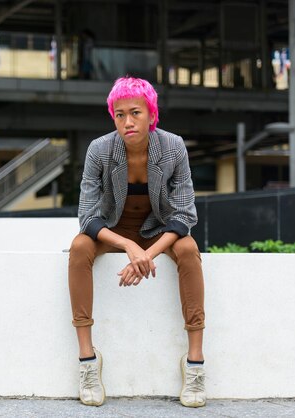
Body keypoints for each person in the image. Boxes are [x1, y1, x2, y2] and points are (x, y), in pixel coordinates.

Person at [68, 76, 206, 408]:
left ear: (151, 113)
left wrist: (146, 253)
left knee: (188, 249)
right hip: (114, 231)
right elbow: (87, 215)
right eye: (119, 115)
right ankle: (88, 361)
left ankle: (195, 364)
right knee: (79, 247)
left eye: (135, 113)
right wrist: (130, 248)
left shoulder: (173, 147)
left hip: (156, 230)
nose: (127, 122)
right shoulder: (100, 150)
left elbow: (185, 215)